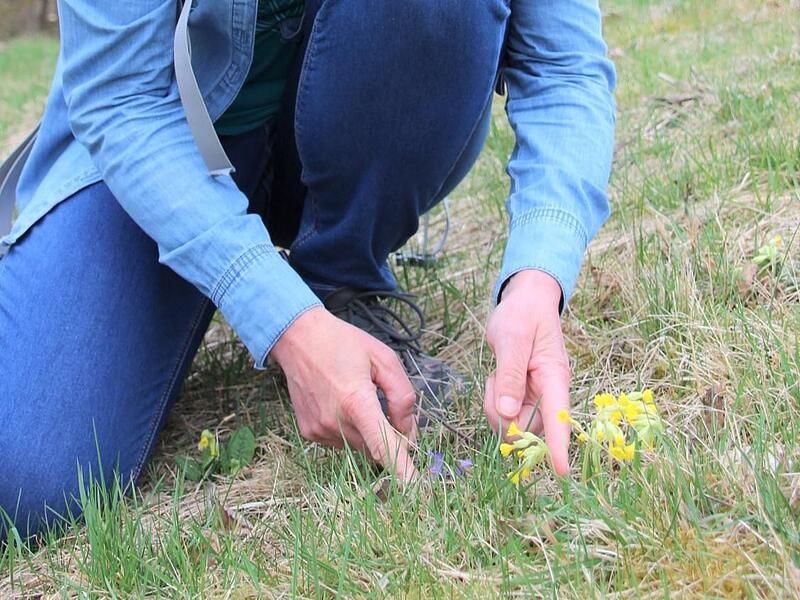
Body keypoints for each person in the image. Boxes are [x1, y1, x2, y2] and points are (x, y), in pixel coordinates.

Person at [0, 0, 615, 539]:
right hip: (163, 129)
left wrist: (538, 278)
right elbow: (123, 95)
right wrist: (283, 317)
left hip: (357, 96)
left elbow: (565, 64)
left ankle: (343, 277)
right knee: (28, 478)